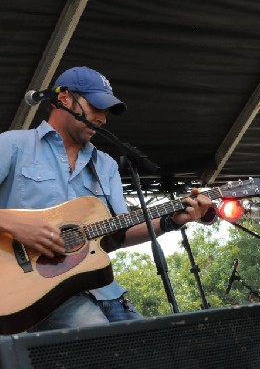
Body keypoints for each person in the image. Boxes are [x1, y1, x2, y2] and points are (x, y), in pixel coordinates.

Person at [0, 66, 213, 332]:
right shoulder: (13, 145)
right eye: (95, 107)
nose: (102, 118)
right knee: (99, 338)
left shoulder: (106, 165)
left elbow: (120, 232)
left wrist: (172, 220)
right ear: (64, 98)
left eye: (106, 111)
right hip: (35, 291)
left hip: (103, 291)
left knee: (157, 343)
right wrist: (14, 224)